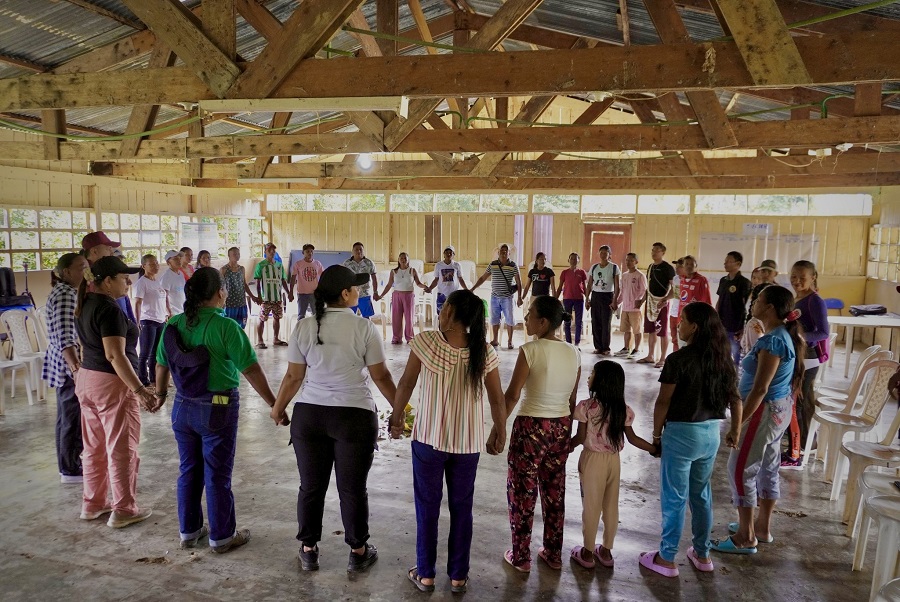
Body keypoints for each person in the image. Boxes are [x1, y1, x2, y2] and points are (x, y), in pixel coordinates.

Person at [270, 265, 398, 573]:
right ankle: (358, 550)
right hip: (354, 417)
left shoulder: (304, 327)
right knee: (352, 488)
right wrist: (400, 412)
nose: (359, 291)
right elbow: (380, 376)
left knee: (310, 487)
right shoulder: (364, 328)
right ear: (345, 294)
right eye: (356, 287)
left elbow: (293, 376)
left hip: (310, 416)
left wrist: (277, 408)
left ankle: (308, 549)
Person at [154, 268, 282, 553]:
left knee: (188, 470)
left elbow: (161, 364)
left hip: (182, 407)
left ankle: (189, 532)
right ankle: (222, 537)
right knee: (217, 474)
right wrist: (275, 403)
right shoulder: (226, 327)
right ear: (218, 293)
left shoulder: (173, 323)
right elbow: (251, 369)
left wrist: (160, 395)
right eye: (223, 289)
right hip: (218, 406)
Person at [389, 290, 506, 593]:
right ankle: (458, 576)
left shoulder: (427, 341)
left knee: (427, 507)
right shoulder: (484, 350)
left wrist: (397, 416)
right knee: (462, 508)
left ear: (450, 311)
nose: (440, 311)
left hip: (429, 440)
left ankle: (426, 574)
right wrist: (499, 430)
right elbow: (497, 399)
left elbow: (406, 383)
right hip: (468, 445)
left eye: (444, 307)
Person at [639, 302, 741, 577]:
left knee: (674, 497)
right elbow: (735, 398)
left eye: (681, 320)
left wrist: (656, 435)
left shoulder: (678, 359)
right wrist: (736, 430)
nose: (677, 324)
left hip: (682, 434)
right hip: (711, 434)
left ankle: (667, 557)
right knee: (701, 495)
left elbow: (663, 402)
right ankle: (702, 553)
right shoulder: (722, 358)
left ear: (694, 327)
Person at [711, 285, 803, 555]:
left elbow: (760, 388)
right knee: (767, 467)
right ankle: (761, 527)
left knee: (740, 469)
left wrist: (738, 424)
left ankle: (745, 536)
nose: (754, 303)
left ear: (771, 308)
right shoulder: (781, 335)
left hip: (763, 411)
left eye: (759, 300)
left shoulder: (773, 341)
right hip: (778, 409)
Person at [74, 256, 157, 528]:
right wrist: (140, 390)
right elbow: (114, 355)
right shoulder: (108, 310)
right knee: (122, 448)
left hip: (88, 380)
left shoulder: (86, 304)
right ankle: (123, 509)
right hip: (111, 384)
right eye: (123, 278)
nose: (128, 282)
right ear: (107, 282)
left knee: (95, 447)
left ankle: (93, 503)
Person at [503, 296, 581, 572]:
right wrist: (567, 434)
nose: (526, 319)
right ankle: (552, 553)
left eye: (530, 314)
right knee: (554, 491)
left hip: (531, 429)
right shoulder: (575, 352)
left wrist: (497, 425)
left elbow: (512, 395)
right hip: (560, 426)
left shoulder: (530, 350)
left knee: (522, 492)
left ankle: (521, 557)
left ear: (544, 322)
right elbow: (572, 400)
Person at [569, 361, 655, 569]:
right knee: (610, 505)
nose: (589, 377)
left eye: (592, 374)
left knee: (591, 506)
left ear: (601, 381)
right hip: (613, 462)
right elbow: (633, 439)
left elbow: (580, 437)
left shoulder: (586, 407)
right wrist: (655, 449)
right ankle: (606, 551)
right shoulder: (623, 410)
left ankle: (587, 553)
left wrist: (564, 449)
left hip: (591, 461)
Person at [43, 252, 89, 484]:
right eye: (81, 267)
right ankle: (70, 468)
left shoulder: (68, 292)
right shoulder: (66, 295)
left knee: (66, 415)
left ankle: (68, 464)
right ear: (67, 272)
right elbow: (65, 337)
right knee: (72, 416)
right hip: (68, 365)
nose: (86, 271)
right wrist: (76, 368)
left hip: (65, 364)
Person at [782, 260, 829, 467]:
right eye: (794, 276)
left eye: (802, 277)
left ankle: (800, 447)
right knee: (800, 399)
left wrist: (801, 336)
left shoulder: (815, 301)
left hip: (808, 357)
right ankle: (804, 441)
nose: (797, 281)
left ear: (813, 277)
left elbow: (823, 332)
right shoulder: (796, 298)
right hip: (797, 354)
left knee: (799, 401)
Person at [472, 243, 523, 350]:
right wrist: (473, 288)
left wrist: (519, 297)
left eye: (506, 251)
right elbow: (483, 278)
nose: (504, 253)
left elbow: (519, 283)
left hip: (507, 298)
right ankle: (495, 340)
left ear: (509, 253)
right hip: (494, 297)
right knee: (494, 319)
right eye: (502, 251)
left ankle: (510, 341)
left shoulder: (513, 265)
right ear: (498, 253)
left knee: (510, 320)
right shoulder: (493, 264)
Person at [82, 231, 135, 323]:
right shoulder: (85, 275)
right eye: (108, 248)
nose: (111, 252)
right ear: (94, 251)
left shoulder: (99, 271)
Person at [638, 243, 676, 368]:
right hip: (650, 302)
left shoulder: (668, 268)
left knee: (663, 331)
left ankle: (663, 358)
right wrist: (642, 300)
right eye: (652, 250)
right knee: (651, 330)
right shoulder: (650, 267)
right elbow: (648, 288)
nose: (654, 253)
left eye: (657, 251)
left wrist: (665, 299)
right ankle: (650, 356)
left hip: (662, 303)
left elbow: (674, 288)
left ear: (663, 253)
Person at [375, 252, 427, 344]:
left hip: (409, 296)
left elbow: (418, 283)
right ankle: (396, 338)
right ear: (398, 260)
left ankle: (410, 338)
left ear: (408, 260)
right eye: (401, 258)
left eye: (405, 258)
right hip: (396, 296)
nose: (403, 260)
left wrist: (425, 287)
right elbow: (388, 285)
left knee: (409, 318)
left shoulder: (412, 270)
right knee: (396, 318)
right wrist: (381, 295)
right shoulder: (394, 272)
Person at [133, 254, 166, 386]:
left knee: (155, 353)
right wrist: (137, 321)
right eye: (151, 264)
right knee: (145, 353)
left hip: (160, 320)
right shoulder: (141, 283)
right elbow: (138, 303)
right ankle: (143, 380)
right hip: (148, 320)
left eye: (156, 263)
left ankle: (153, 379)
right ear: (144, 266)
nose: (156, 266)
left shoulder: (156, 282)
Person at [716, 251, 752, 367]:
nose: (725, 263)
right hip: (722, 323)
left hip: (736, 325)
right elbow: (719, 299)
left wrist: (743, 327)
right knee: (721, 353)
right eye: (725, 261)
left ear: (738, 264)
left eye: (729, 261)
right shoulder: (723, 280)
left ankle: (734, 381)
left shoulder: (744, 282)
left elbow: (746, 306)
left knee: (735, 355)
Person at [253, 242, 292, 348]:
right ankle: (260, 340)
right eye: (269, 250)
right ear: (265, 252)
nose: (272, 252)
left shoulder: (279, 265)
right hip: (265, 297)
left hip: (277, 297)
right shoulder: (261, 265)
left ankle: (276, 338)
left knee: (277, 317)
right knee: (262, 318)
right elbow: (257, 282)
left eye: (273, 250)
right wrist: (259, 296)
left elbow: (283, 281)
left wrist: (289, 293)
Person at [585, 245, 620, 356]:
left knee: (606, 322)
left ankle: (606, 347)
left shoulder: (614, 267)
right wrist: (587, 299)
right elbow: (589, 284)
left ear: (609, 255)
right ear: (598, 254)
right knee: (595, 322)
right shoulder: (594, 267)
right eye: (601, 253)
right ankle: (598, 347)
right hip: (596, 296)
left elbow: (617, 286)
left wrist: (614, 301)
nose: (603, 255)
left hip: (607, 296)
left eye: (606, 253)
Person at [615, 252, 647, 358]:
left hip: (635, 309)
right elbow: (622, 292)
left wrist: (640, 301)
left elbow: (644, 291)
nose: (628, 262)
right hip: (625, 308)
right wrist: (617, 303)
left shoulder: (640, 276)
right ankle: (626, 348)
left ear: (636, 262)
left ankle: (637, 349)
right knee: (626, 329)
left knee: (637, 330)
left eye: (631, 260)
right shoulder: (624, 275)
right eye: (627, 260)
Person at [220, 247, 258, 328]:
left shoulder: (242, 269)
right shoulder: (224, 270)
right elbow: (220, 287)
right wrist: (221, 302)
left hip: (241, 302)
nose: (237, 255)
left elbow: (244, 284)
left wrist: (252, 297)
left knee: (241, 326)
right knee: (230, 327)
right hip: (229, 303)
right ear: (229, 256)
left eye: (238, 254)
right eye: (234, 254)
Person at [425, 245, 468, 315]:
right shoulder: (438, 265)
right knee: (441, 315)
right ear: (443, 254)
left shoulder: (457, 265)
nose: (448, 254)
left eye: (451, 253)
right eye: (447, 252)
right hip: (441, 294)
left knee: (453, 315)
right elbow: (436, 279)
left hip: (453, 294)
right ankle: (440, 326)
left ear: (454, 255)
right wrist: (430, 288)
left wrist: (466, 289)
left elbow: (461, 279)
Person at [555, 252, 587, 346]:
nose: (573, 260)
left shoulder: (582, 272)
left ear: (578, 260)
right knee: (567, 321)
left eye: (575, 258)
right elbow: (560, 286)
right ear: (568, 260)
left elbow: (585, 287)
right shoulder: (564, 272)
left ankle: (577, 343)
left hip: (579, 299)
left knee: (578, 321)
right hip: (567, 298)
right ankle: (568, 343)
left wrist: (588, 299)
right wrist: (555, 299)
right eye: (572, 258)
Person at [342, 242, 378, 319]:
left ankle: (366, 331)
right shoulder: (347, 263)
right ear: (352, 251)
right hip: (350, 294)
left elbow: (374, 278)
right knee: (349, 317)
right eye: (356, 249)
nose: (358, 251)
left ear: (363, 251)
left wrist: (375, 292)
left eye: (360, 249)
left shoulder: (369, 263)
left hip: (365, 294)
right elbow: (343, 278)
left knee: (366, 317)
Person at [290, 243, 324, 318]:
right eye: (307, 251)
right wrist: (291, 292)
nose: (310, 253)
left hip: (314, 293)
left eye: (311, 251)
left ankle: (315, 329)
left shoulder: (317, 264)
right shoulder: (298, 264)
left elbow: (322, 277)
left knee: (316, 315)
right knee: (301, 315)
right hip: (302, 293)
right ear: (303, 253)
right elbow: (293, 278)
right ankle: (301, 329)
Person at [160, 250, 187, 317]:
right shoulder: (166, 277)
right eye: (175, 259)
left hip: (182, 311)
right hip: (173, 313)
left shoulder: (180, 274)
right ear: (168, 262)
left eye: (179, 258)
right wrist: (169, 312)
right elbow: (164, 296)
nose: (179, 260)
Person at [668, 259, 685, 353]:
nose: (677, 269)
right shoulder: (675, 278)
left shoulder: (688, 280)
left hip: (682, 314)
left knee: (682, 339)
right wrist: (665, 298)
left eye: (679, 267)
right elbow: (673, 292)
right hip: (673, 313)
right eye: (676, 266)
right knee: (674, 339)